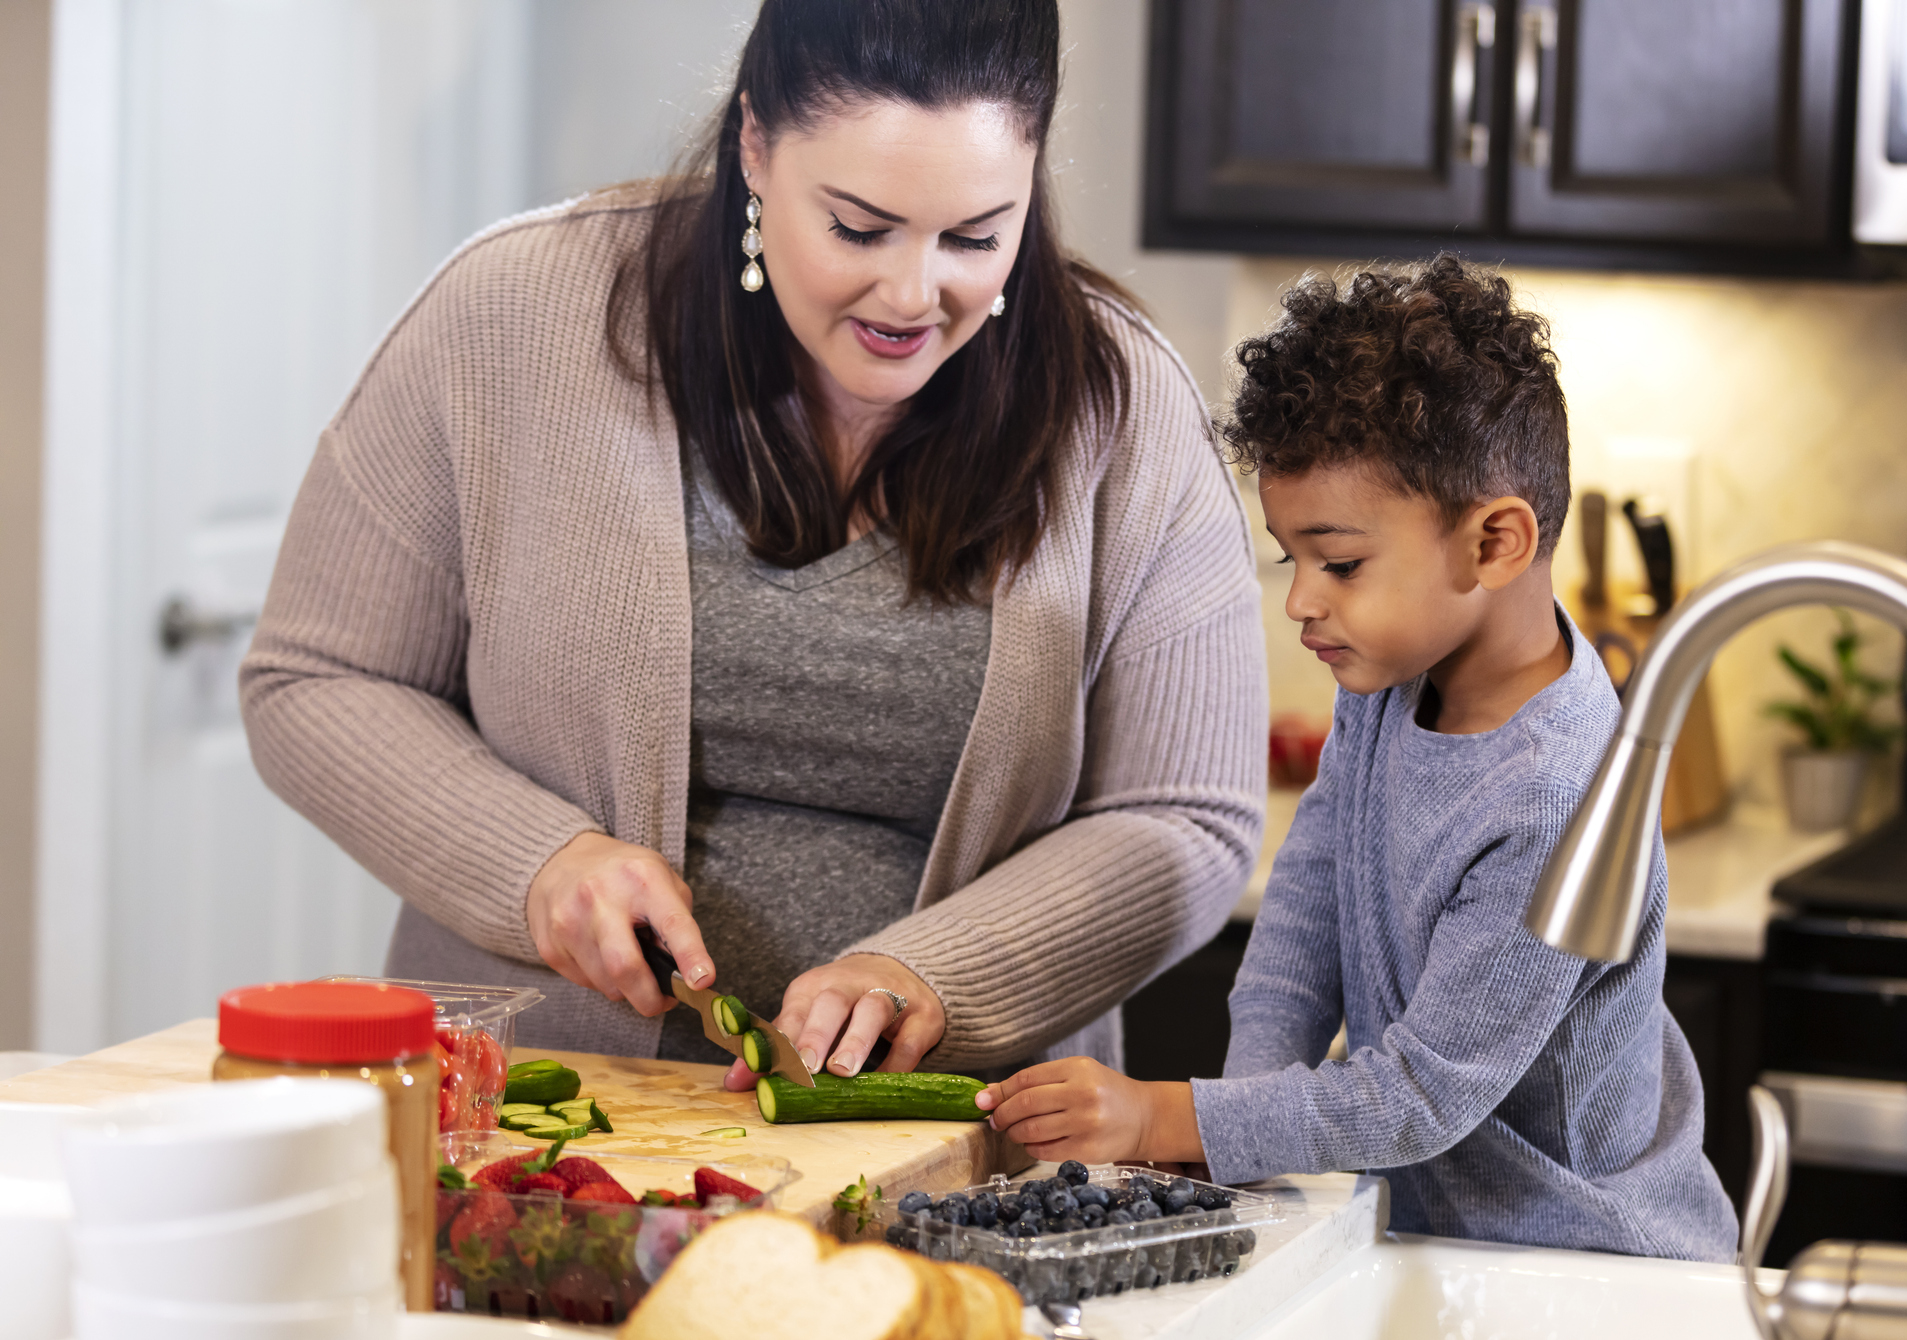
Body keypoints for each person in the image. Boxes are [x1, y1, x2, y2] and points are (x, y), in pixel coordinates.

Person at [239, 0, 1264, 1084]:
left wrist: (932, 977)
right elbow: (316, 675)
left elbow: (1184, 816)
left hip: (959, 1152)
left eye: (975, 236)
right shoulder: (509, 314)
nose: (913, 294)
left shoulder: (1125, 404)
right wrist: (539, 861)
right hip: (552, 1135)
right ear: (756, 146)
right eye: (858, 228)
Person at [976, 256, 1737, 1261]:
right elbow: (1306, 910)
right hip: (1438, 1244)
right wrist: (1241, 1121)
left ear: (1493, 542)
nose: (1299, 598)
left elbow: (1420, 1095)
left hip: (1585, 1263)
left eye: (1337, 561)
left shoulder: (1557, 792)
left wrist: (1170, 1118)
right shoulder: (1387, 684)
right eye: (1292, 557)